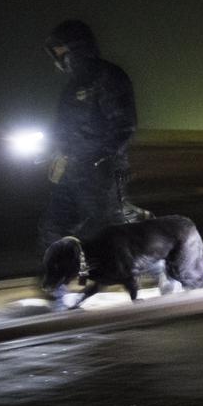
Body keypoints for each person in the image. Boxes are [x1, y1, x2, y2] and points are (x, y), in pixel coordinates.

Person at [38, 19, 140, 249]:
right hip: (72, 167)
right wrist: (53, 152)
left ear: (76, 45)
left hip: (100, 169)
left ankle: (159, 263)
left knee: (107, 229)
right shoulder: (73, 86)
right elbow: (66, 128)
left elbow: (125, 124)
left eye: (60, 47)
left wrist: (104, 158)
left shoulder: (108, 76)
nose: (56, 54)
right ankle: (56, 282)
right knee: (54, 226)